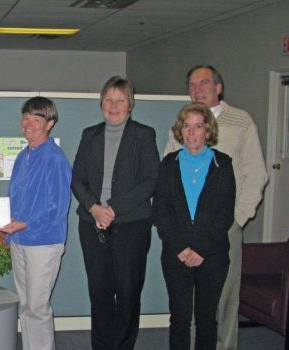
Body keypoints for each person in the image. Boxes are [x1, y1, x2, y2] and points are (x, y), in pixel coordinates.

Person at [164, 65, 268, 350]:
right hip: (184, 230)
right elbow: (167, 179)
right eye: (192, 84)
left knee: (221, 302)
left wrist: (237, 219)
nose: (197, 89)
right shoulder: (183, 121)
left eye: (204, 83)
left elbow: (256, 175)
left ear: (218, 87)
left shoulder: (241, 121)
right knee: (184, 309)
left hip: (224, 227)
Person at [71, 76, 160, 350]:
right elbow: (77, 179)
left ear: (130, 105)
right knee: (99, 293)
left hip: (131, 225)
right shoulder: (90, 135)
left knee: (128, 293)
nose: (114, 105)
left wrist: (113, 208)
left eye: (120, 99)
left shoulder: (144, 134)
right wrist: (95, 208)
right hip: (92, 224)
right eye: (108, 99)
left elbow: (150, 180)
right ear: (101, 104)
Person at [154, 102, 236, 350]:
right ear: (180, 130)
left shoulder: (223, 165)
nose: (191, 132)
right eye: (186, 126)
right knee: (179, 318)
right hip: (175, 253)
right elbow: (160, 210)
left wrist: (201, 248)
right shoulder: (169, 163)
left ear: (208, 131)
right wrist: (180, 246)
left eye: (198, 126)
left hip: (212, 255)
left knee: (206, 319)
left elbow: (225, 213)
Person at [0, 97, 71, 350]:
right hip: (20, 240)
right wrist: (6, 224)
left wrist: (24, 224)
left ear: (50, 124)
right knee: (27, 306)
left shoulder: (55, 159)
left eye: (36, 119)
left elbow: (57, 209)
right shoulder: (22, 156)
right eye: (26, 117)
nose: (28, 124)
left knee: (37, 308)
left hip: (43, 242)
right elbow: (15, 199)